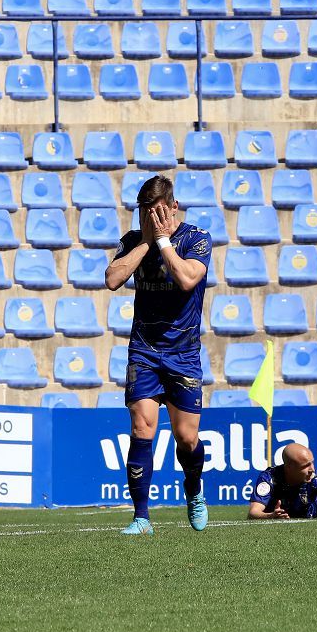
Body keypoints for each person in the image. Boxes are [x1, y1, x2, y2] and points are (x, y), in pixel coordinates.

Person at [105, 175, 213, 536]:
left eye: (156, 213)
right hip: (145, 350)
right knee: (141, 426)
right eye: (143, 213)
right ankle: (141, 517)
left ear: (173, 208)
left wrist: (164, 243)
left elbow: (186, 280)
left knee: (187, 439)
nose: (149, 219)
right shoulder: (134, 241)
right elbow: (112, 278)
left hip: (183, 354)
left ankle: (194, 490)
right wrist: (148, 243)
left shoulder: (197, 239)